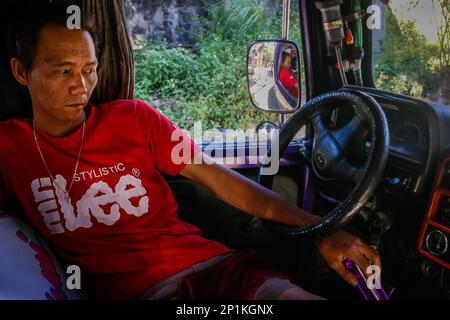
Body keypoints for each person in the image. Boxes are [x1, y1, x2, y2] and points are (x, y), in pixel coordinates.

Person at [0, 5, 380, 300]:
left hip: (218, 273)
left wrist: (319, 230)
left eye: (89, 68)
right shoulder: (8, 148)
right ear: (21, 72)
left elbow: (219, 178)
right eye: (62, 71)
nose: (81, 86)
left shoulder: (134, 119)